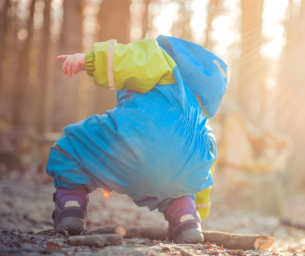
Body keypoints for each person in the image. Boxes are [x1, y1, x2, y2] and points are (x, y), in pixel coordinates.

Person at [46, 35, 228, 244]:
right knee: (180, 187)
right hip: (180, 176)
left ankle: (71, 208)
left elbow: (132, 59)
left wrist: (88, 61)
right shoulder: (204, 128)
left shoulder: (165, 65)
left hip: (136, 147)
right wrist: (200, 210)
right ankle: (186, 220)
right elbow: (205, 173)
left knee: (72, 147)